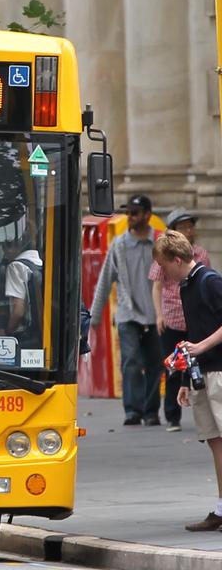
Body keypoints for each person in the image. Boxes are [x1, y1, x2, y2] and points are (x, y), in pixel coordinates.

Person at [151, 230, 222, 531]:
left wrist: (203, 347)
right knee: (215, 441)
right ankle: (221, 508)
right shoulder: (185, 287)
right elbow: (193, 332)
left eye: (165, 267)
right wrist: (184, 378)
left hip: (219, 370)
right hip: (202, 373)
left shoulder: (209, 281)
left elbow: (203, 337)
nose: (163, 274)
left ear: (178, 260)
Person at [88, 194, 162, 426]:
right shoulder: (119, 245)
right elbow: (105, 280)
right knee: (130, 361)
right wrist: (94, 316)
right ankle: (133, 410)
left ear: (147, 215)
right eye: (128, 212)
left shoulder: (159, 244)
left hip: (155, 315)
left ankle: (151, 412)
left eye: (134, 213)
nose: (129, 217)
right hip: (128, 315)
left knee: (154, 363)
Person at [150, 208, 212, 432]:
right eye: (182, 226)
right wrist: (159, 314)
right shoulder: (164, 258)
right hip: (172, 318)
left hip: (194, 322)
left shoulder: (201, 260)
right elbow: (157, 286)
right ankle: (172, 415)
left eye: (189, 226)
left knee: (195, 364)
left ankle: (199, 405)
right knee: (173, 366)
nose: (187, 230)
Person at [2, 231, 44, 350]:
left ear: (15, 247)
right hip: (42, 334)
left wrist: (6, 332)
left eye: (5, 250)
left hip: (26, 334)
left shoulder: (15, 267)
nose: (5, 256)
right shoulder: (40, 263)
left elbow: (18, 311)